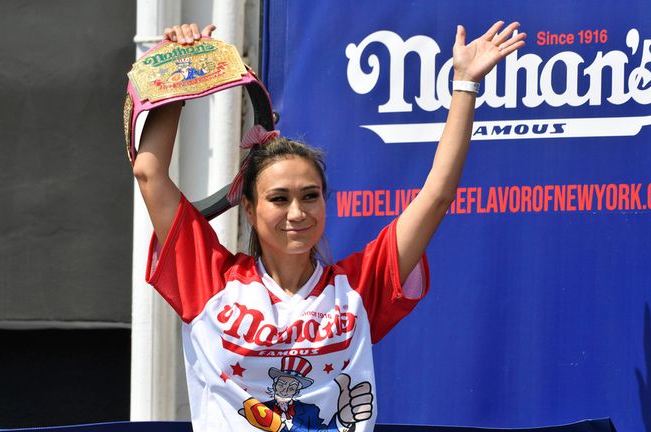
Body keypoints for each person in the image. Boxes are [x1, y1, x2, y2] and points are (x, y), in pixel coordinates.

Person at [132, 21, 525, 432]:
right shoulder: (210, 280)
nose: (297, 212)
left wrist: (464, 83)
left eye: (310, 196)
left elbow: (437, 195)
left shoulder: (356, 287)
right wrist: (177, 70)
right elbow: (148, 172)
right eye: (279, 199)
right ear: (248, 208)